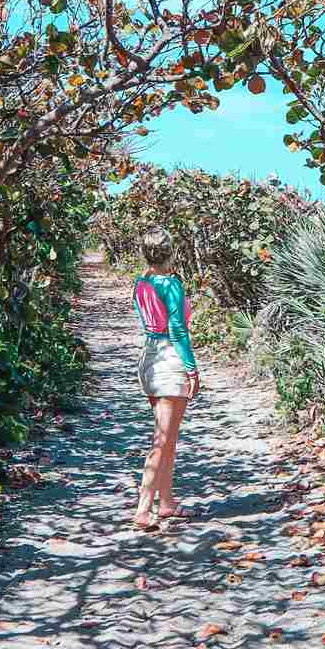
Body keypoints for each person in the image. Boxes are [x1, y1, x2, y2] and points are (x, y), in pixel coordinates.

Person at [131, 227, 200, 529]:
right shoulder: (171, 284)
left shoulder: (140, 284)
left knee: (168, 438)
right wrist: (191, 367)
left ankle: (167, 503)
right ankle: (143, 509)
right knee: (162, 439)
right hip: (169, 359)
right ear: (171, 253)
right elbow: (177, 329)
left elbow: (146, 320)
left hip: (148, 357)